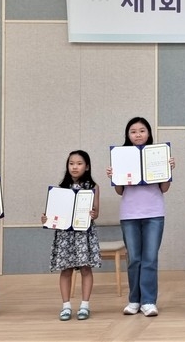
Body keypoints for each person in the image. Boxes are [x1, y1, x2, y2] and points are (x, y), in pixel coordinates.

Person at [106, 117, 175, 317]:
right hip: (129, 214)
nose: (138, 135)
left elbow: (164, 188)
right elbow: (119, 191)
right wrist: (114, 176)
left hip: (154, 213)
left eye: (142, 130)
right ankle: (134, 300)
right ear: (128, 135)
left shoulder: (158, 154)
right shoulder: (121, 156)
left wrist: (168, 170)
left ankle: (149, 301)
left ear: (149, 133)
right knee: (134, 258)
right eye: (133, 131)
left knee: (150, 258)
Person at [41, 150, 101, 321]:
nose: (75, 167)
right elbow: (53, 213)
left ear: (87, 166)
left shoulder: (93, 187)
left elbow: (96, 213)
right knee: (65, 270)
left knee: (85, 268)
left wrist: (92, 213)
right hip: (65, 234)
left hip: (84, 233)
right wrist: (46, 219)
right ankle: (66, 306)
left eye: (79, 163)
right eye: (71, 163)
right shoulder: (61, 189)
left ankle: (85, 305)